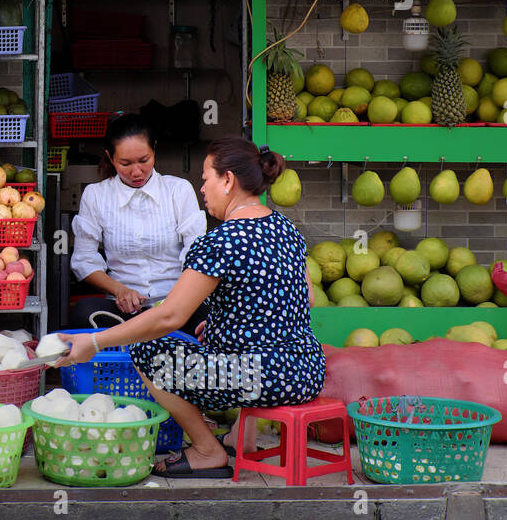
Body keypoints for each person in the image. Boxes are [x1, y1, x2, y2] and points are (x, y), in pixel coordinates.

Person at [58, 137, 325, 479]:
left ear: (227, 180)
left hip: (262, 377)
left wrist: (94, 342)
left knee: (146, 348)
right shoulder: (286, 228)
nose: (202, 189)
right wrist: (222, 322)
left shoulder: (220, 240)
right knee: (240, 347)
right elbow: (308, 299)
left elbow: (169, 316)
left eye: (206, 178)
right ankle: (240, 438)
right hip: (306, 371)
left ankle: (206, 449)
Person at [69, 114, 208, 335]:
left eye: (144, 160)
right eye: (125, 163)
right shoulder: (96, 195)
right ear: (110, 157)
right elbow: (84, 261)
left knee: (208, 317)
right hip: (124, 311)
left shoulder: (178, 190)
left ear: (154, 149)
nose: (136, 172)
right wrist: (120, 291)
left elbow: (197, 253)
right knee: (83, 312)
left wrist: (175, 301)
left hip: (177, 307)